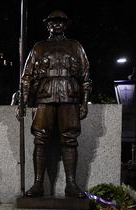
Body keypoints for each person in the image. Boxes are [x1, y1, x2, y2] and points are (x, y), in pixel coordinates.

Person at [19, 10, 91, 198]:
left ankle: (71, 184)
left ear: (65, 25)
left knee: (70, 139)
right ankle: (38, 184)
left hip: (69, 95)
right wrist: (23, 101)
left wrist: (84, 102)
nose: (56, 25)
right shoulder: (38, 47)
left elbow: (85, 76)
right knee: (40, 139)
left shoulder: (75, 46)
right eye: (53, 22)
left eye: (60, 22)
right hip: (45, 95)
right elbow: (26, 76)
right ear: (48, 25)